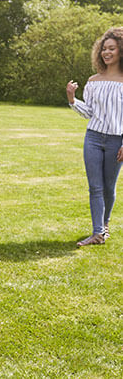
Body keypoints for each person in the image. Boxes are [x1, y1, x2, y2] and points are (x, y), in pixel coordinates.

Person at [66, 27, 123, 247]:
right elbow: (89, 112)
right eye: (103, 49)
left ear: (120, 51)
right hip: (93, 138)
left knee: (109, 187)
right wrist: (73, 99)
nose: (106, 53)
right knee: (95, 187)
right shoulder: (93, 80)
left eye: (111, 49)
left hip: (116, 141)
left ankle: (105, 224)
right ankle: (97, 232)